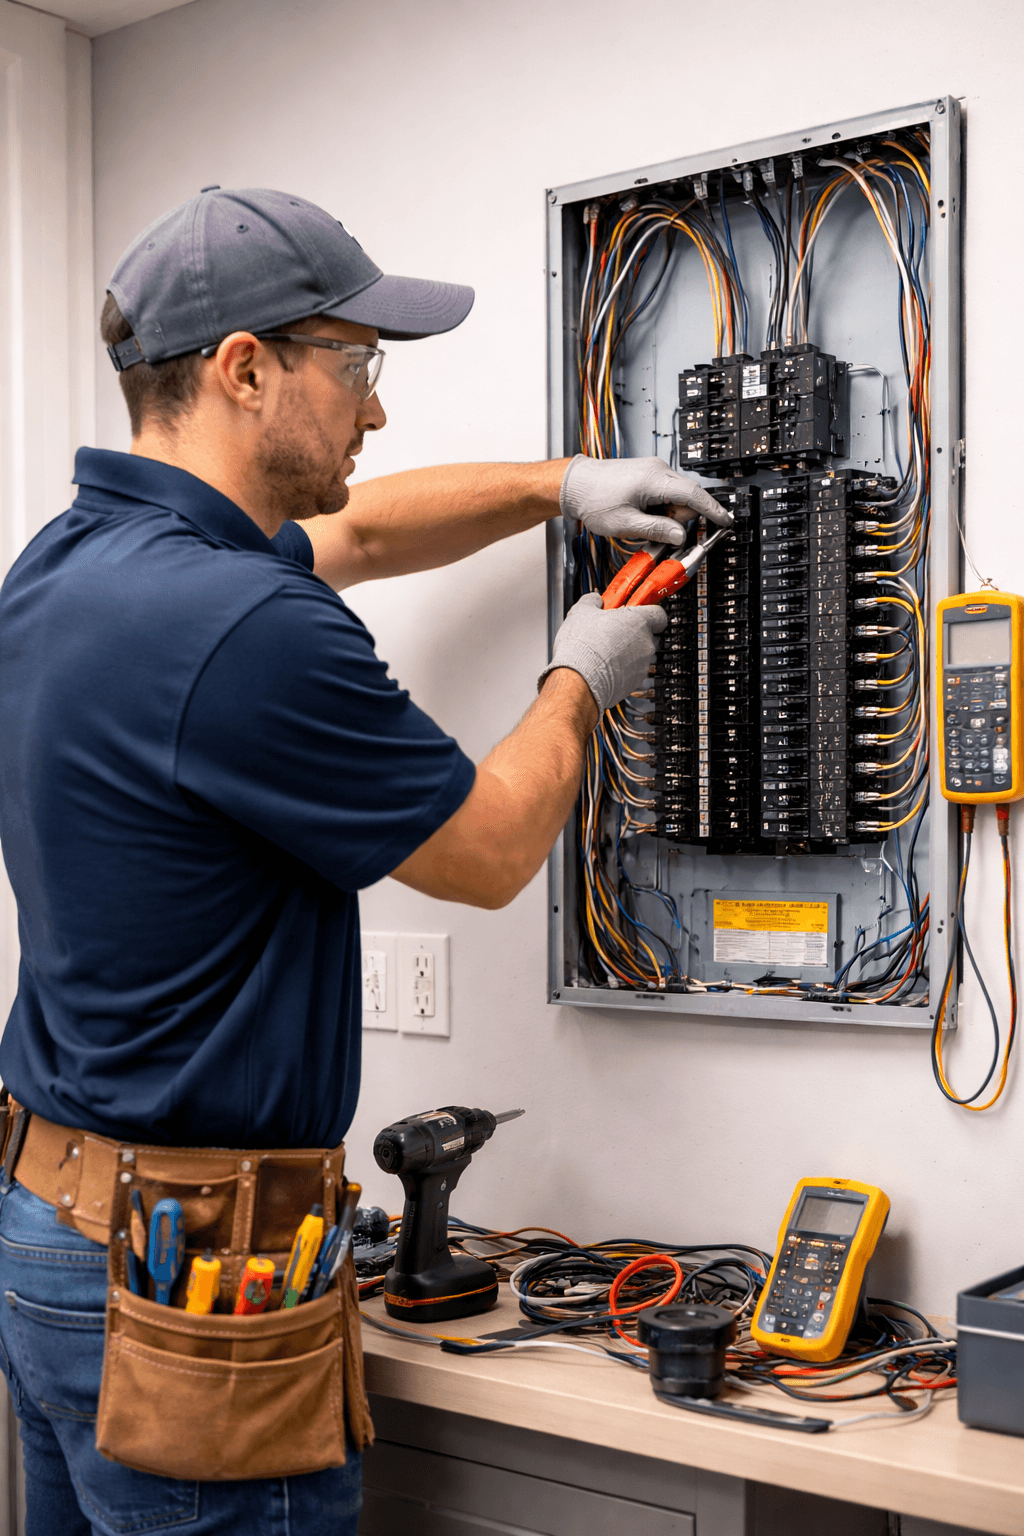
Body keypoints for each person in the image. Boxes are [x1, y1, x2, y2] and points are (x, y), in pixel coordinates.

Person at [0, 186, 730, 1535]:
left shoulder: (70, 565)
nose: (375, 408)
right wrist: (582, 674)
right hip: (190, 1279)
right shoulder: (242, 624)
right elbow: (491, 849)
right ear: (245, 370)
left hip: (51, 1240)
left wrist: (558, 486)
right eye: (357, 367)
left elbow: (360, 534)